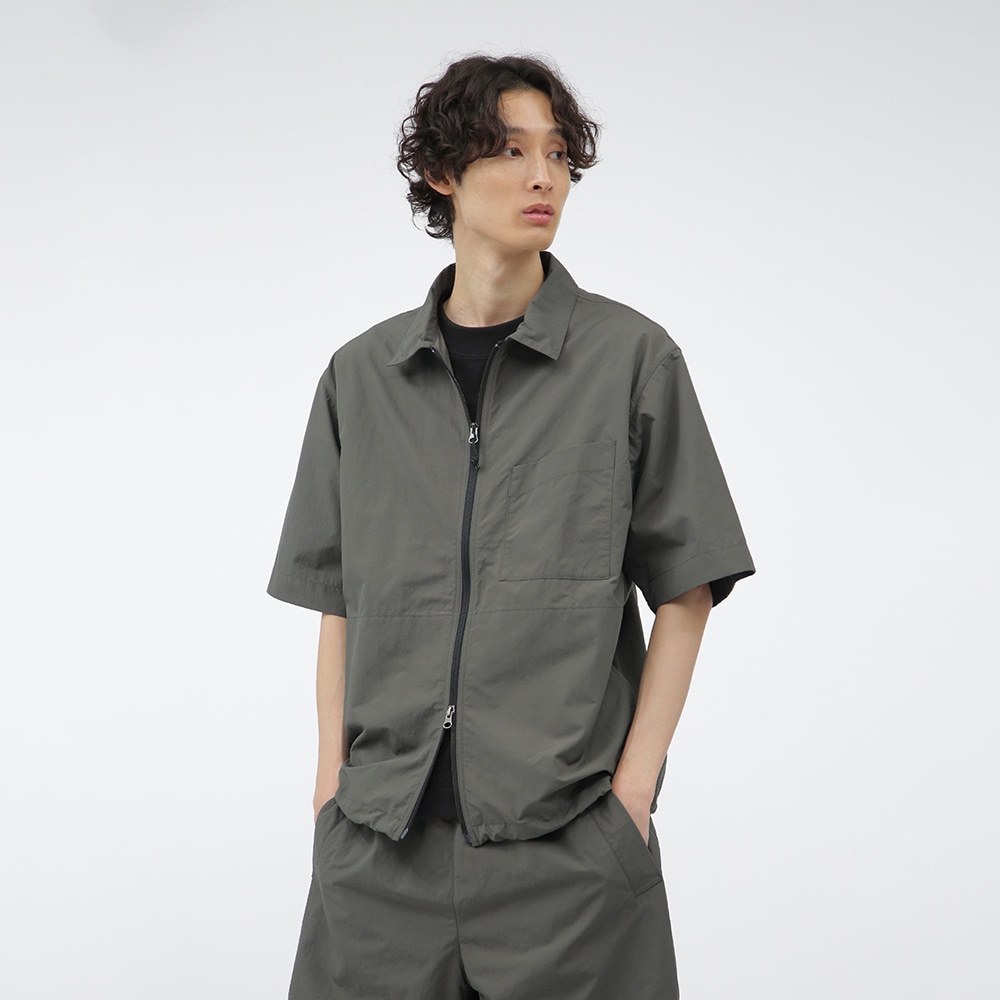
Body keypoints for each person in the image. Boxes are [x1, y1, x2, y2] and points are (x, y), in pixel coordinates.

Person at [266, 52, 755, 1000]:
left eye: (559, 154)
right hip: (379, 856)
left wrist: (632, 799)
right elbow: (337, 599)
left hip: (567, 859)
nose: (544, 178)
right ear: (441, 172)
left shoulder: (631, 360)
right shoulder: (360, 379)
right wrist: (330, 792)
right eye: (511, 151)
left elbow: (688, 587)